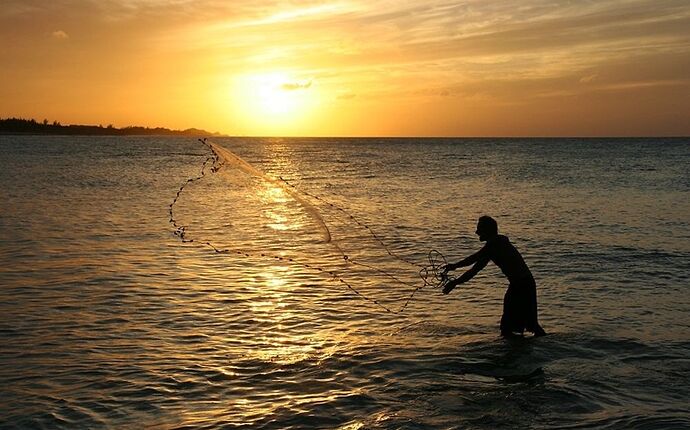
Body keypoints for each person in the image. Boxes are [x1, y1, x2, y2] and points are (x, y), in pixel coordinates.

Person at [442, 216, 547, 337]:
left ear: (487, 230)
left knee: (512, 325)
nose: (476, 232)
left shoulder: (495, 243)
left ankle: (516, 351)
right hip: (523, 284)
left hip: (521, 285)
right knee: (526, 323)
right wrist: (455, 279)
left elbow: (474, 259)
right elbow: (474, 269)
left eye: (479, 229)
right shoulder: (494, 247)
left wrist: (454, 269)